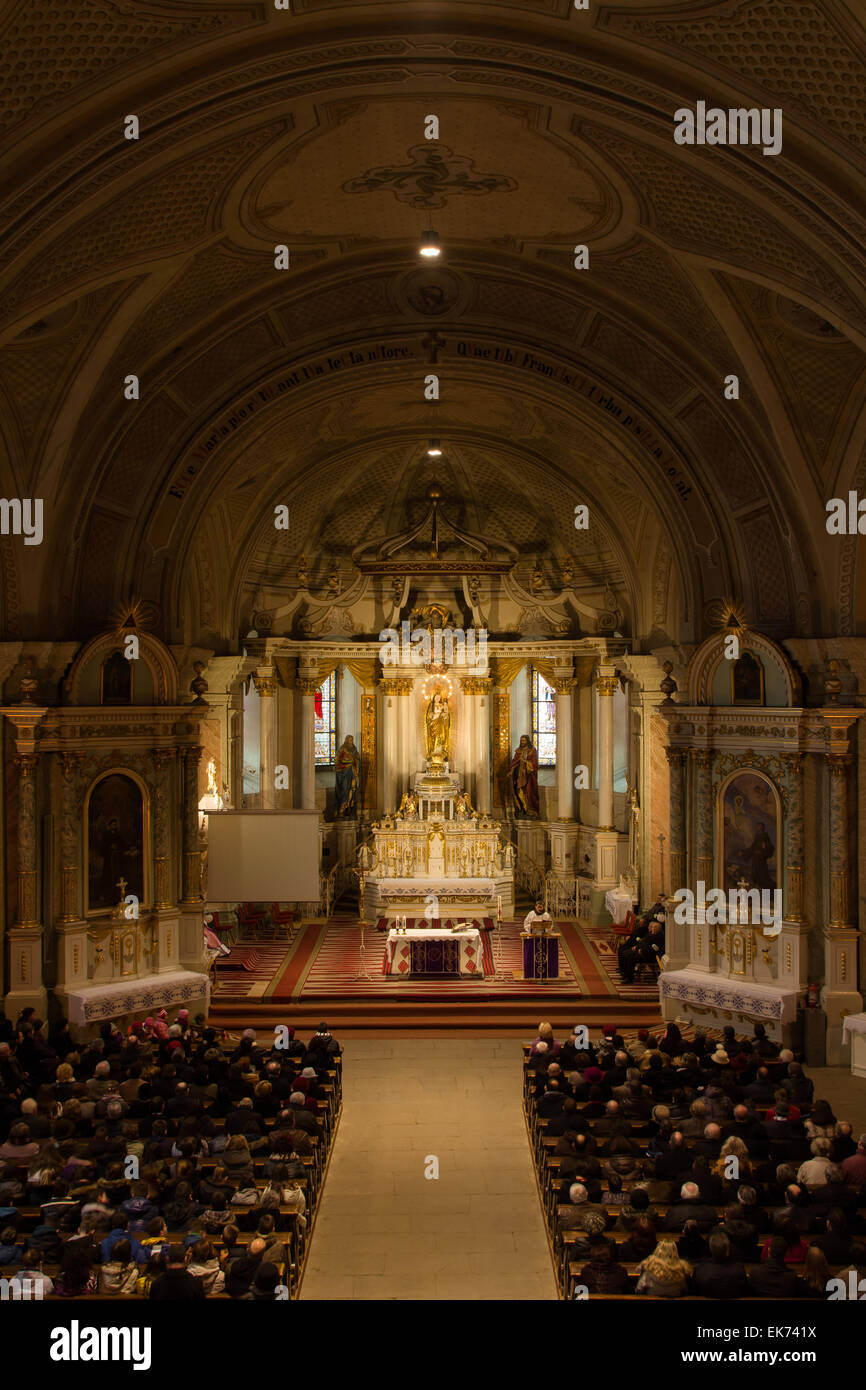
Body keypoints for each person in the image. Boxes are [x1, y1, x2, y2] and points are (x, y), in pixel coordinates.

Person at [509, 734, 539, 817]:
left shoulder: (532, 751)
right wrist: (511, 771)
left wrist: (525, 762)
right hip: (518, 776)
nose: (522, 742)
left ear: (527, 741)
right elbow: (514, 762)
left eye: (524, 740)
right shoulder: (518, 751)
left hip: (528, 777)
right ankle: (521, 809)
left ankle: (530, 811)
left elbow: (535, 764)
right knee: (518, 792)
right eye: (521, 740)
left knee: (529, 793)